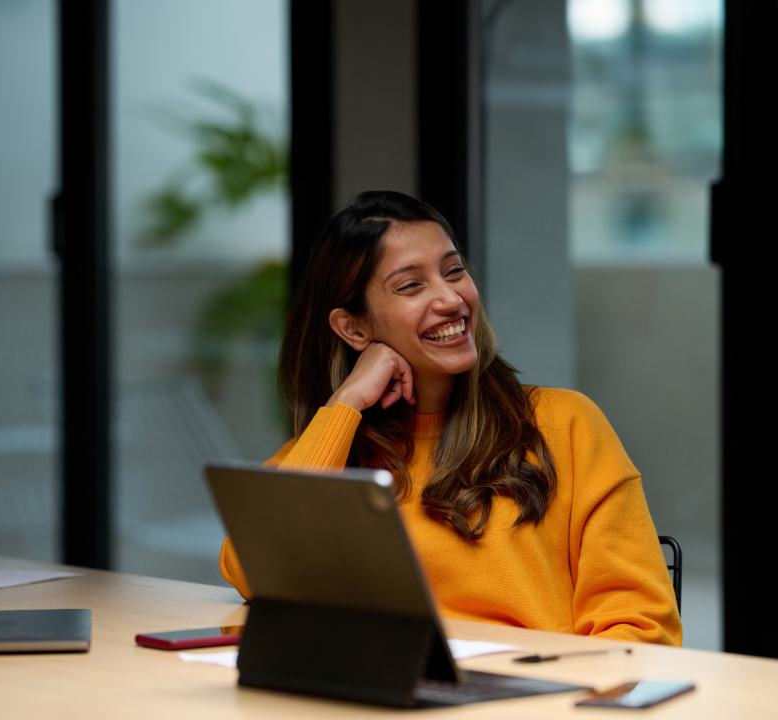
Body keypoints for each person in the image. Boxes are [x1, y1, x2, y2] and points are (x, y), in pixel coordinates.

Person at [219, 190, 682, 646]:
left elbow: (641, 630)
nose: (450, 299)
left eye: (454, 272)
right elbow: (250, 569)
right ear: (353, 328)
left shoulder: (567, 424)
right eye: (411, 285)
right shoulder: (334, 447)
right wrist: (347, 403)